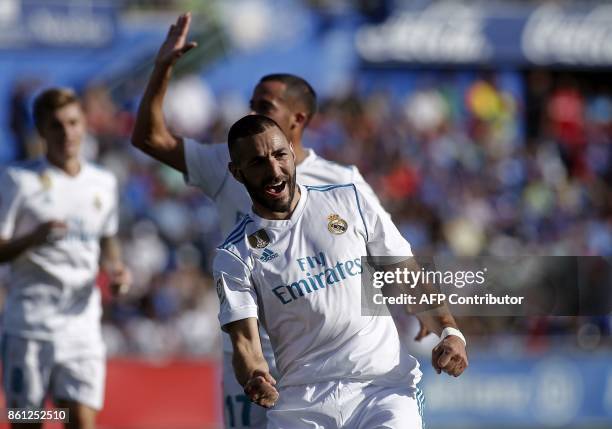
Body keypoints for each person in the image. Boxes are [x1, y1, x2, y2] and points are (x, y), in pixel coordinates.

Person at [131, 12, 430, 429]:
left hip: (340, 368)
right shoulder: (226, 161)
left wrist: (436, 320)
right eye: (252, 104)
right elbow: (148, 138)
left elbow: (388, 258)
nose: (252, 111)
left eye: (264, 106)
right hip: (254, 357)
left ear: (297, 120)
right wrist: (162, 68)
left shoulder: (342, 183)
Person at [214, 115, 468, 428]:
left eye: (280, 155)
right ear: (236, 173)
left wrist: (449, 331)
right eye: (257, 162)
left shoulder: (349, 200)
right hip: (301, 403)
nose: (274, 170)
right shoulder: (234, 254)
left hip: (381, 390)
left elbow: (407, 276)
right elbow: (245, 344)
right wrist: (254, 376)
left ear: (292, 153)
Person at [0, 88, 132, 429]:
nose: (67, 133)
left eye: (73, 123)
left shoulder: (102, 182)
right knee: (28, 421)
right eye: (56, 125)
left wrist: (116, 269)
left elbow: (107, 238)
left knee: (81, 419)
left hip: (81, 326)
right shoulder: (19, 180)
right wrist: (33, 238)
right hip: (29, 326)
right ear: (42, 130)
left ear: (84, 125)